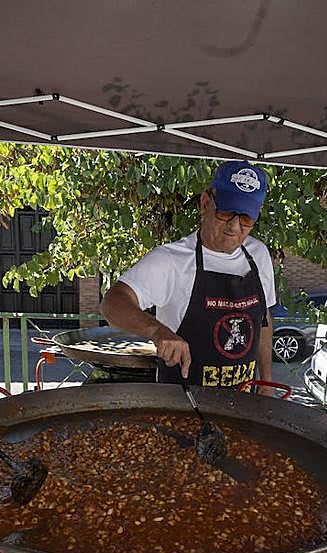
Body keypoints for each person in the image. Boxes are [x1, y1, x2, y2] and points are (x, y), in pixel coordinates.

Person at [100, 160, 277, 392]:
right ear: (205, 203)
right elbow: (112, 304)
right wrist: (158, 331)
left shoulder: (258, 254)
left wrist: (267, 381)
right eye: (226, 213)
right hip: (183, 405)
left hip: (243, 405)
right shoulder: (171, 259)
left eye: (245, 219)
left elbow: (262, 320)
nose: (234, 227)